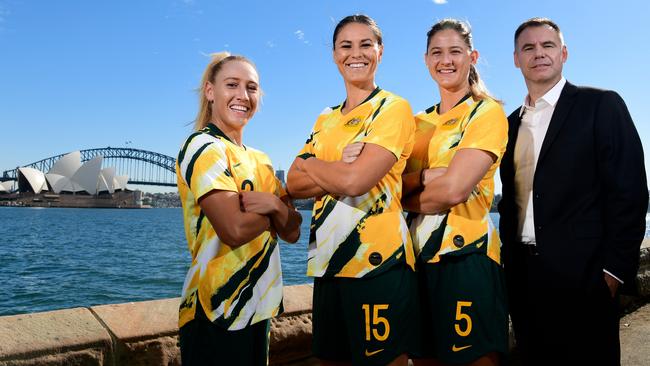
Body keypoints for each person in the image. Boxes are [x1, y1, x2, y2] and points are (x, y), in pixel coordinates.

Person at [497, 18, 648, 366]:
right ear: (516, 59)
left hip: (586, 280)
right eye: (528, 48)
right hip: (524, 280)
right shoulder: (508, 125)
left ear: (563, 53)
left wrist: (612, 273)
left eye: (548, 46)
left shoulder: (601, 105)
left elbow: (630, 193)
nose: (539, 54)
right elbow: (511, 202)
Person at [286, 14, 420, 366]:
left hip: (377, 262)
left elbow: (355, 182)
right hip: (328, 261)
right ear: (334, 54)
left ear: (380, 52)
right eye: (346, 45)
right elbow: (292, 183)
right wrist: (337, 166)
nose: (355, 53)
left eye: (365, 44)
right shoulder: (325, 118)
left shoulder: (393, 108)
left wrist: (313, 164)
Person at [175, 52, 302, 366]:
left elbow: (294, 230)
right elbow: (233, 230)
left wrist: (271, 204)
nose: (243, 96)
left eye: (251, 87)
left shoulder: (261, 159)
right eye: (232, 84)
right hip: (216, 310)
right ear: (210, 92)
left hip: (259, 307)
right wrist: (277, 211)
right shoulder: (202, 146)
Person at [401, 19, 509, 366]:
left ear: (472, 56)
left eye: (455, 52)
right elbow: (388, 186)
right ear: (425, 59)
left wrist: (406, 191)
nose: (445, 60)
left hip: (467, 258)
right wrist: (429, 176)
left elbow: (454, 190)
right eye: (437, 52)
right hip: (415, 260)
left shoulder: (486, 112)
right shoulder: (416, 123)